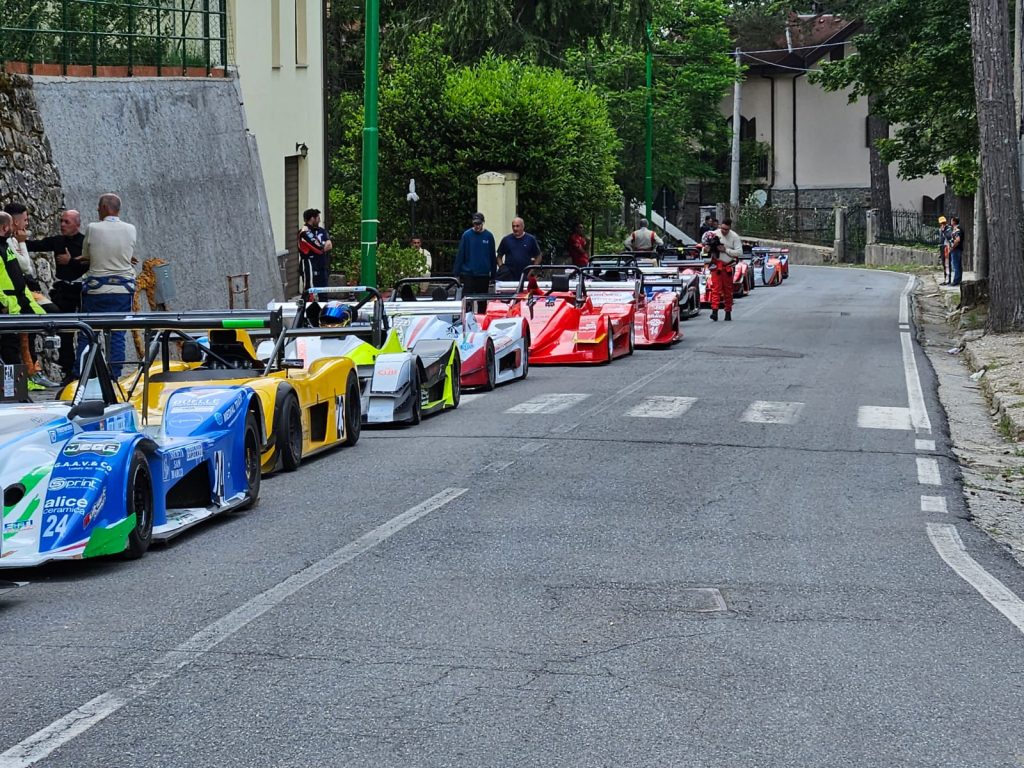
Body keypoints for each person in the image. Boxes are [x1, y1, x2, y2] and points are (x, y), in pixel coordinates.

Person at [76, 193, 138, 378]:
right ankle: (114, 374)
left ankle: (82, 374)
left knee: (88, 332)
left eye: (98, 207)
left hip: (97, 289)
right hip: (123, 289)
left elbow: (87, 255)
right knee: (117, 333)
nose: (97, 210)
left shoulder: (93, 228)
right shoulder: (131, 229)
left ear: (104, 208)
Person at [27, 209, 86, 382]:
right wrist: (17, 240)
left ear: (77, 224)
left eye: (67, 222)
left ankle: (85, 369)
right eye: (61, 221)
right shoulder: (58, 241)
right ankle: (69, 371)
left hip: (81, 291)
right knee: (64, 332)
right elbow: (35, 245)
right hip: (63, 291)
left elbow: (93, 262)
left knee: (85, 331)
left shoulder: (85, 242)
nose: (62, 225)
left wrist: (71, 261)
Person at [708, 218, 743, 322]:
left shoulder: (734, 237)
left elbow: (739, 252)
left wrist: (726, 250)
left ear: (730, 228)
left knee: (728, 290)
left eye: (726, 229)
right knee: (715, 289)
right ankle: (714, 311)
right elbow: (705, 248)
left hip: (728, 266)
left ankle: (728, 312)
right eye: (722, 228)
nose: (724, 231)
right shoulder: (714, 234)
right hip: (716, 265)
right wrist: (706, 249)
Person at [453, 212, 496, 295]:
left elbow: (492, 256)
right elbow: (460, 254)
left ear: (483, 223)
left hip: (483, 274)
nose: (477, 226)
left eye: (479, 224)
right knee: (467, 297)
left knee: (482, 299)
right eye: (475, 224)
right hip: (469, 273)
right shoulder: (466, 235)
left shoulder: (489, 236)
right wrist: (457, 273)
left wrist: (493, 275)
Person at [497, 217, 542, 282]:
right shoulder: (506, 240)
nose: (515, 228)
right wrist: (502, 269)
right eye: (513, 226)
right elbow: (499, 257)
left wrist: (532, 270)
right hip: (509, 278)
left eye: (517, 226)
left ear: (523, 226)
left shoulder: (531, 239)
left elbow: (539, 256)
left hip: (525, 275)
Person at [298, 208, 332, 291]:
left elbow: (329, 245)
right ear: (312, 218)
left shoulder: (320, 230)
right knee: (310, 290)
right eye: (318, 218)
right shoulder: (305, 232)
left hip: (321, 264)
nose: (319, 220)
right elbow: (319, 248)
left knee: (323, 291)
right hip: (309, 264)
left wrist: (322, 246)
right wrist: (323, 245)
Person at [949, 216, 964, 286]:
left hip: (956, 249)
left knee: (956, 265)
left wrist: (952, 247)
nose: (950, 222)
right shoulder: (956, 229)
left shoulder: (957, 229)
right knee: (958, 265)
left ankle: (956, 280)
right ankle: (958, 279)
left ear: (954, 222)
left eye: (952, 220)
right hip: (957, 249)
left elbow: (957, 240)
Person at [938, 215, 952, 285]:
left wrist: (944, 231)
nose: (942, 224)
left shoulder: (948, 229)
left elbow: (949, 237)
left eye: (943, 223)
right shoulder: (940, 229)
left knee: (947, 264)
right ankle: (945, 278)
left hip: (947, 247)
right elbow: (940, 240)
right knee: (944, 264)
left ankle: (948, 280)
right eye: (941, 223)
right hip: (942, 247)